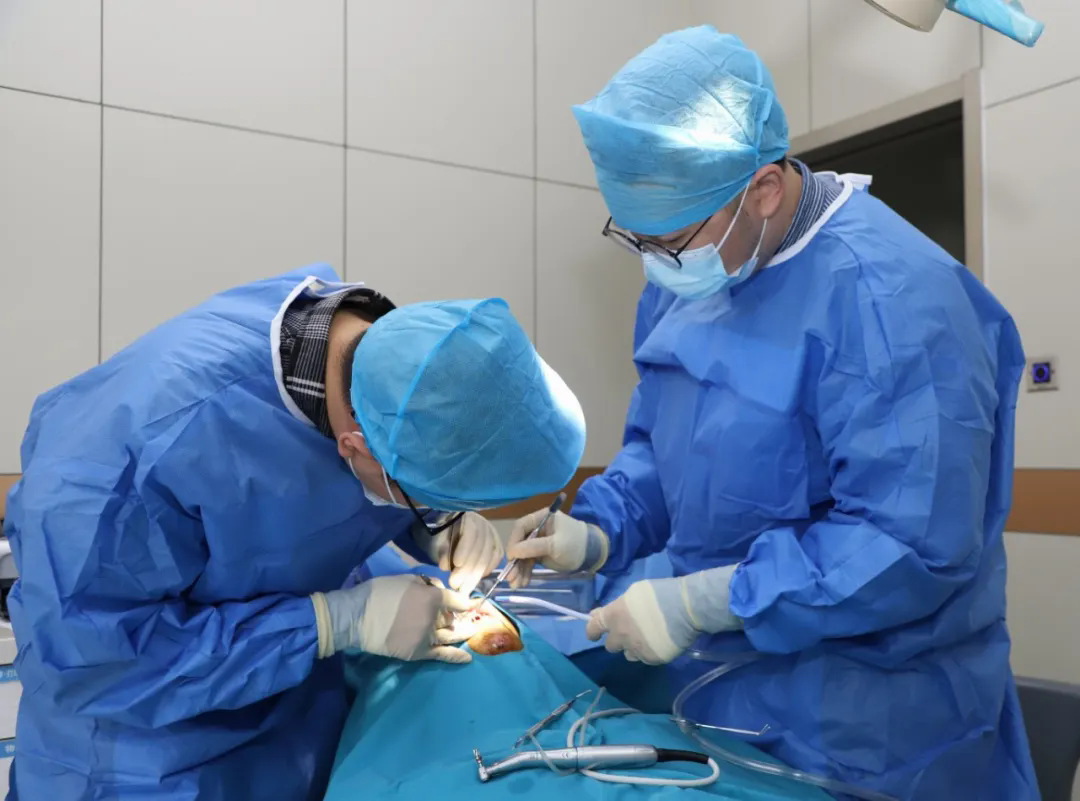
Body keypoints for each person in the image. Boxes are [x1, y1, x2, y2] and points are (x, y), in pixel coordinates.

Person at [506, 26, 1037, 801]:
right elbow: (662, 446)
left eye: (668, 239)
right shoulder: (690, 274)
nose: (655, 262)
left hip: (865, 725)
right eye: (636, 238)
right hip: (711, 694)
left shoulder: (892, 298)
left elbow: (907, 543)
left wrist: (706, 600)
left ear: (762, 189)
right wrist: (600, 531)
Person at [3, 265, 586, 801]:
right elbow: (95, 659)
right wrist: (332, 622)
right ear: (354, 446)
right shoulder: (124, 465)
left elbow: (338, 501)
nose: (436, 507)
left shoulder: (387, 367)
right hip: (142, 758)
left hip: (296, 720)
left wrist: (435, 523)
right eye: (430, 494)